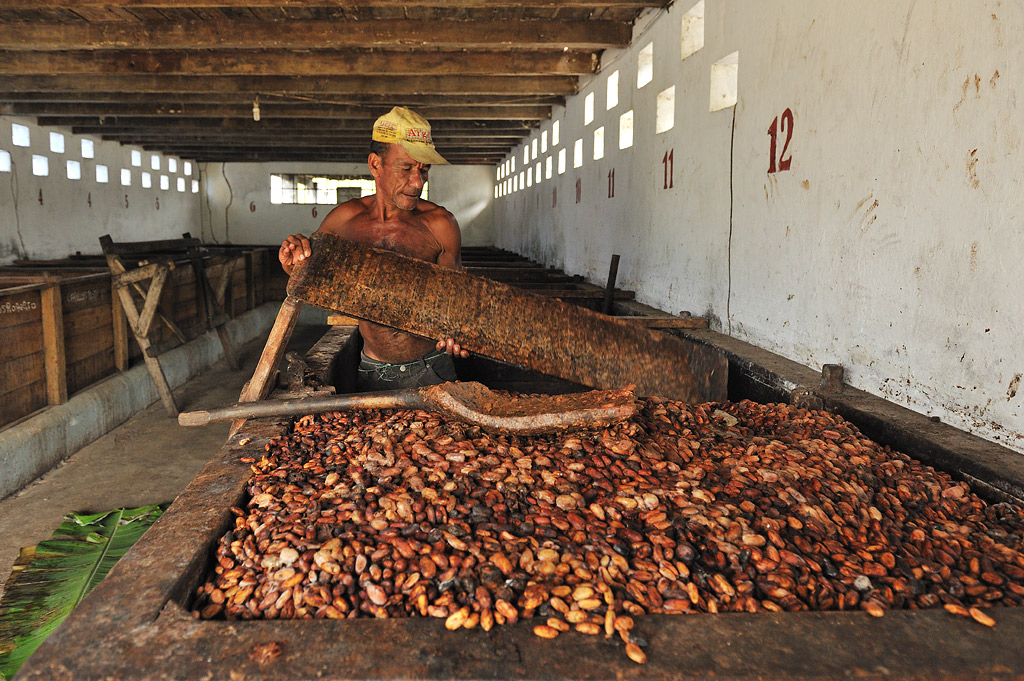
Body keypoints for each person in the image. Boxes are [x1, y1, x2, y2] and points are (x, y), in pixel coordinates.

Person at [278, 106, 469, 392]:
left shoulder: (441, 225)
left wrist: (457, 330)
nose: (417, 183)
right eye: (406, 168)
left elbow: (455, 300)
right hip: (373, 369)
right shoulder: (344, 222)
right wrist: (291, 259)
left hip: (434, 367)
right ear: (375, 164)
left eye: (424, 170)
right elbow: (304, 275)